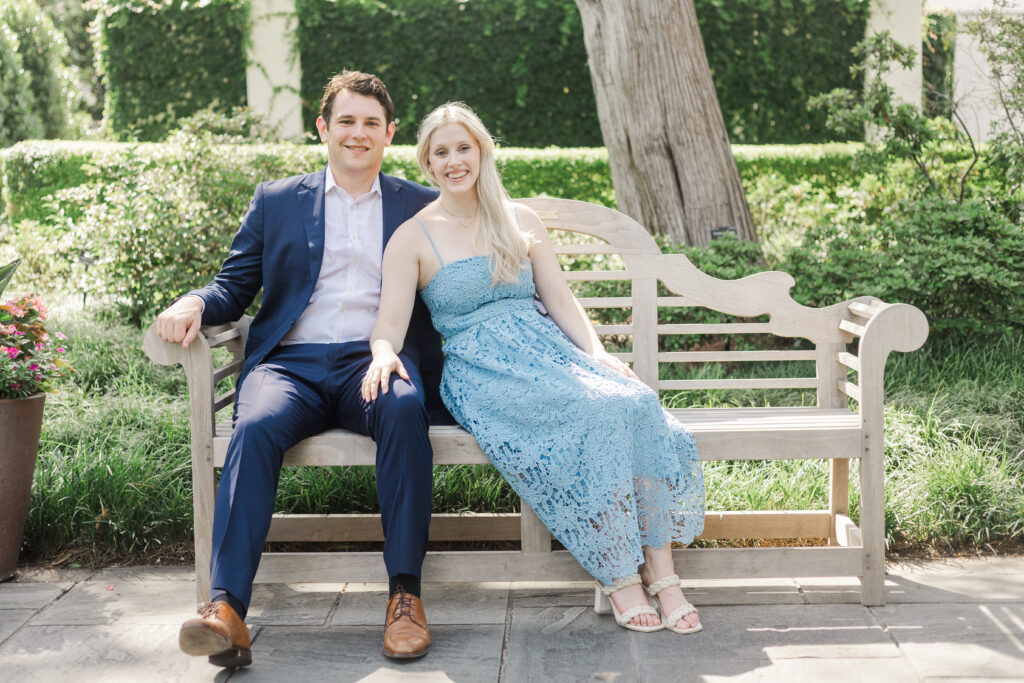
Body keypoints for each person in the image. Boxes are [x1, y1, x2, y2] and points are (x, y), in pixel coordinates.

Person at [362, 102, 706, 634]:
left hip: (549, 353)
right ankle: (620, 574)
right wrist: (383, 352)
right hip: (483, 371)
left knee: (636, 401)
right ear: (427, 164)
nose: (454, 161)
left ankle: (662, 571)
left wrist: (597, 353)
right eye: (441, 152)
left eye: (463, 148)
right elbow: (389, 323)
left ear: (482, 152)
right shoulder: (413, 236)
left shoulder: (518, 220)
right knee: (600, 411)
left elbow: (560, 299)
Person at [155, 71, 448, 666]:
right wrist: (195, 302)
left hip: (376, 359)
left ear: (389, 133)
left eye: (371, 123)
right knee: (255, 425)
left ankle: (405, 598)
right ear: (323, 128)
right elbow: (235, 284)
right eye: (347, 121)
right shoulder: (277, 200)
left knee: (403, 408)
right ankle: (226, 609)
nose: (358, 133)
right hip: (290, 365)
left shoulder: (419, 205)